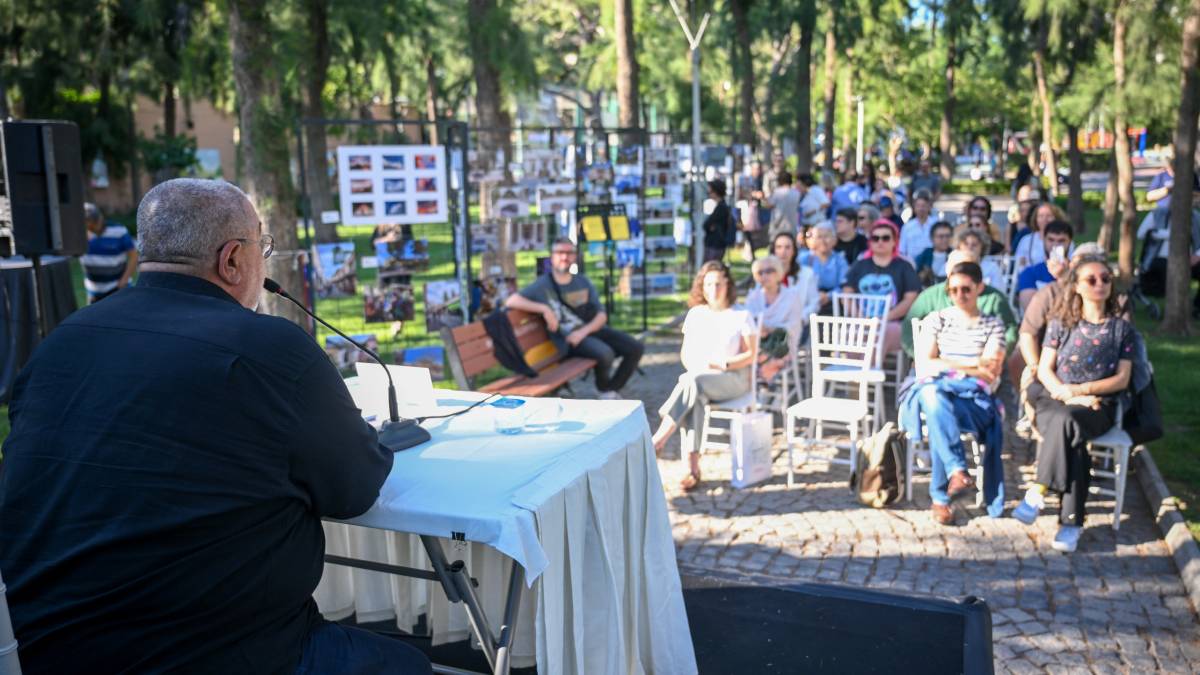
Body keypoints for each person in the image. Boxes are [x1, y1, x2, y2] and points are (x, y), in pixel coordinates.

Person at [0, 179, 430, 674]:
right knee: (407, 664)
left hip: (45, 650)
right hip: (218, 649)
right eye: (262, 247)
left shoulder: (63, 339)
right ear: (232, 260)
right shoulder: (272, 348)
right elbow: (355, 490)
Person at [1013, 255, 1135, 553]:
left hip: (1097, 405)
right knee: (1070, 431)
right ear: (1077, 286)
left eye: (1105, 278)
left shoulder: (1121, 329)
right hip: (1054, 398)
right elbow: (1045, 369)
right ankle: (1071, 523)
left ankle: (1038, 490)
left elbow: (1122, 379)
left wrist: (1082, 391)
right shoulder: (1061, 323)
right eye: (1091, 279)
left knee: (1068, 425)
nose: (1100, 284)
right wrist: (1069, 394)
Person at [901, 261, 1007, 524]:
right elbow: (924, 365)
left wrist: (946, 364)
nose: (959, 295)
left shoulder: (993, 325)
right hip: (940, 394)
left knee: (936, 405)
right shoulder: (937, 319)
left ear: (979, 288)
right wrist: (973, 365)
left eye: (966, 289)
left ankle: (942, 495)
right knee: (934, 398)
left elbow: (990, 372)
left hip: (974, 402)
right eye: (953, 290)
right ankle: (956, 472)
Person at [651, 261, 758, 490]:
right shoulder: (696, 314)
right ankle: (692, 468)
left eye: (718, 284)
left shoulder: (741, 315)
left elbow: (751, 354)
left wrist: (724, 364)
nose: (713, 289)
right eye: (708, 284)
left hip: (733, 378)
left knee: (692, 383)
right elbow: (686, 354)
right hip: (700, 379)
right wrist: (698, 368)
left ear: (728, 285)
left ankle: (659, 438)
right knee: (694, 392)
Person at [506, 238, 643, 399]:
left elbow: (601, 315)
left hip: (588, 331)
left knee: (635, 348)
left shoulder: (582, 281)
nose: (565, 257)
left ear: (575, 256)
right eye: (560, 252)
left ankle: (609, 388)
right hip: (567, 340)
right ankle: (604, 390)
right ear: (552, 257)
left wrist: (583, 332)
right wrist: (544, 309)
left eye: (569, 253)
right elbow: (511, 301)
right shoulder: (542, 285)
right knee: (605, 353)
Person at [901, 249, 1018, 361]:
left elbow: (1010, 332)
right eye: (957, 268)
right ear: (947, 270)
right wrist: (919, 356)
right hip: (936, 366)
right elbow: (907, 330)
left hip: (984, 363)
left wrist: (997, 354)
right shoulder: (930, 297)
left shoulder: (994, 299)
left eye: (967, 268)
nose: (961, 272)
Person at [843, 220, 922, 353]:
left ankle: (869, 366)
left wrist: (885, 318)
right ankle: (861, 366)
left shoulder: (905, 266)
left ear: (894, 241)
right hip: (862, 321)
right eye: (875, 238)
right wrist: (859, 316)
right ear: (870, 242)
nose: (880, 242)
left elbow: (911, 298)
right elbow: (846, 293)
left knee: (882, 333)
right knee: (852, 333)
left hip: (892, 323)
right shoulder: (859, 264)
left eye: (885, 238)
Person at [747, 255, 813, 381]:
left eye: (769, 271)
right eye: (760, 272)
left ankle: (763, 381)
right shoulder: (753, 297)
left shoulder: (792, 296)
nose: (764, 275)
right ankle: (763, 381)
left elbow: (795, 325)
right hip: (758, 343)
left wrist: (771, 330)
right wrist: (759, 330)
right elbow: (748, 322)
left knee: (764, 359)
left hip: (783, 345)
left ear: (778, 273)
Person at [80, 202, 138, 302]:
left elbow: (133, 256)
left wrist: (125, 279)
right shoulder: (80, 234)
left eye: (94, 224)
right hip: (93, 290)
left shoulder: (119, 231)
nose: (92, 228)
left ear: (100, 218)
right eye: (89, 226)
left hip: (118, 288)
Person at [1017, 220, 1074, 312]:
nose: (1055, 245)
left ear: (1070, 242)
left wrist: (1064, 276)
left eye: (1061, 241)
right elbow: (1031, 310)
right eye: (1051, 240)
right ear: (1043, 240)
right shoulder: (1029, 273)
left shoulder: (1079, 272)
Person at [799, 224, 849, 313]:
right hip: (807, 302)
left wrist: (828, 296)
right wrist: (815, 296)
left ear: (834, 240)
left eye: (826, 236)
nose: (823, 241)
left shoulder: (840, 260)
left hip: (832, 303)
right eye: (819, 237)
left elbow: (843, 286)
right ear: (813, 240)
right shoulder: (804, 258)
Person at [1014, 202, 1069, 269]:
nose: (1044, 219)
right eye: (1041, 216)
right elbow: (1018, 264)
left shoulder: (1064, 239)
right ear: (1035, 219)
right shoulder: (1026, 241)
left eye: (1049, 216)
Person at [771, 231, 821, 300]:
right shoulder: (765, 274)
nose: (783, 251)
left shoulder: (807, 274)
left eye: (787, 247)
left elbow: (814, 302)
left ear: (794, 251)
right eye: (779, 247)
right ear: (774, 251)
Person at [702, 179, 735, 262]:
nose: (709, 194)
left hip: (716, 244)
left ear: (716, 192)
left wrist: (710, 227)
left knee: (711, 265)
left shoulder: (721, 208)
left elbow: (706, 224)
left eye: (710, 192)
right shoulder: (720, 206)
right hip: (716, 243)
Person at [898, 190, 939, 259]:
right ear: (914, 208)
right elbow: (902, 250)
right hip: (912, 262)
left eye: (923, 206)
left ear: (929, 207)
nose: (921, 209)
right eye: (918, 206)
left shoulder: (936, 224)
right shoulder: (907, 227)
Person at [763, 170, 801, 241]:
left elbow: (769, 205)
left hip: (778, 224)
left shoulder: (777, 192)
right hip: (792, 224)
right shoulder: (797, 193)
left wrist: (764, 198)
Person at [914, 221, 955, 286]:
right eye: (941, 236)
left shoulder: (956, 256)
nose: (945, 239)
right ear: (932, 238)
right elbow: (914, 280)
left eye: (947, 236)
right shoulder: (923, 257)